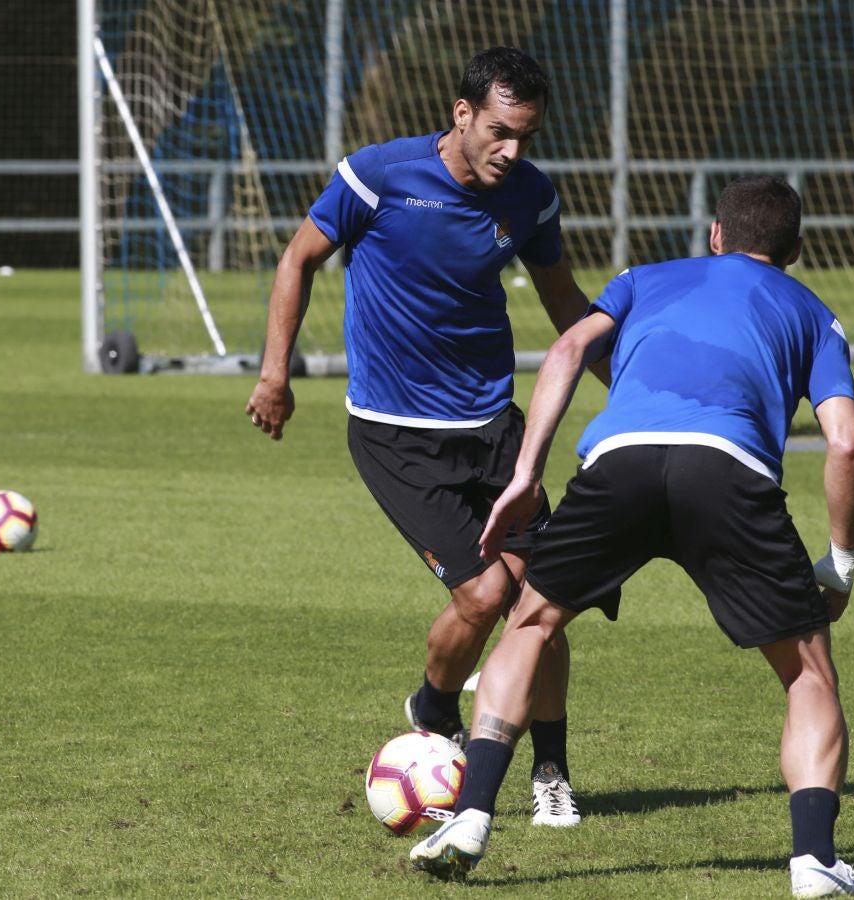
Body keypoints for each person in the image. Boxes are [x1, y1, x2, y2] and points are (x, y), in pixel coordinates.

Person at [410, 176, 854, 898]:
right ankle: (814, 860)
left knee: (529, 624)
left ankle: (471, 815)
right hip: (729, 477)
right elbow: (845, 443)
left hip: (618, 462)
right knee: (808, 674)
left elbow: (567, 349)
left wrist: (528, 474)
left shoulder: (642, 278)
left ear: (715, 235)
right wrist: (840, 563)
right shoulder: (815, 313)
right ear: (795, 249)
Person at [244, 47, 606, 826]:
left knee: (538, 602)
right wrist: (276, 375)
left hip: (494, 427)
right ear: (462, 114)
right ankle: (436, 712)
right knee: (482, 593)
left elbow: (565, 304)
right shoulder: (378, 176)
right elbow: (299, 258)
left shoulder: (532, 198)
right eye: (501, 131)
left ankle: (551, 769)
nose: (512, 150)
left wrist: (637, 391)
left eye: (527, 136)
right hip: (396, 436)